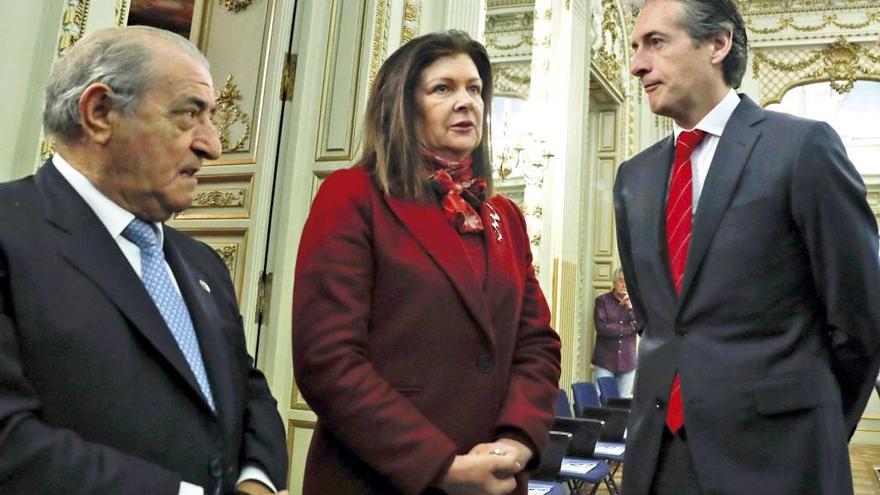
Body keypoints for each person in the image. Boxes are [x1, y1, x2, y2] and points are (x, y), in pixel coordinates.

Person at [0, 27, 288, 494]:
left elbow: (248, 389)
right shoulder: (10, 233)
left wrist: (258, 480)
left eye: (211, 117)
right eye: (189, 114)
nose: (213, 145)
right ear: (99, 113)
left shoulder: (204, 264)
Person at [615, 1, 880, 494]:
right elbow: (658, 319)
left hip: (778, 459)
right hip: (659, 458)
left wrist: (812, 426)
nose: (636, 64)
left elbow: (860, 317)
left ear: (717, 44)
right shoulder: (633, 177)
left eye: (655, 42)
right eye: (635, 47)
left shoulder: (802, 149)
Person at [291, 30, 561, 495]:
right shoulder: (352, 196)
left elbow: (536, 344)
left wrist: (516, 440)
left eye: (474, 89)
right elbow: (328, 359)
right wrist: (439, 466)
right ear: (402, 104)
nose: (466, 102)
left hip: (494, 476)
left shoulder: (505, 216)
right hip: (382, 476)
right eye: (443, 88)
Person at [591, 268, 638, 397]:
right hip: (605, 360)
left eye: (628, 282)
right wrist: (629, 329)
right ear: (614, 282)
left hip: (628, 360)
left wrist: (630, 308)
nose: (624, 285)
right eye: (621, 281)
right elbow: (602, 328)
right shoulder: (602, 301)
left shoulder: (635, 303)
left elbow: (640, 327)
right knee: (601, 396)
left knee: (624, 400)